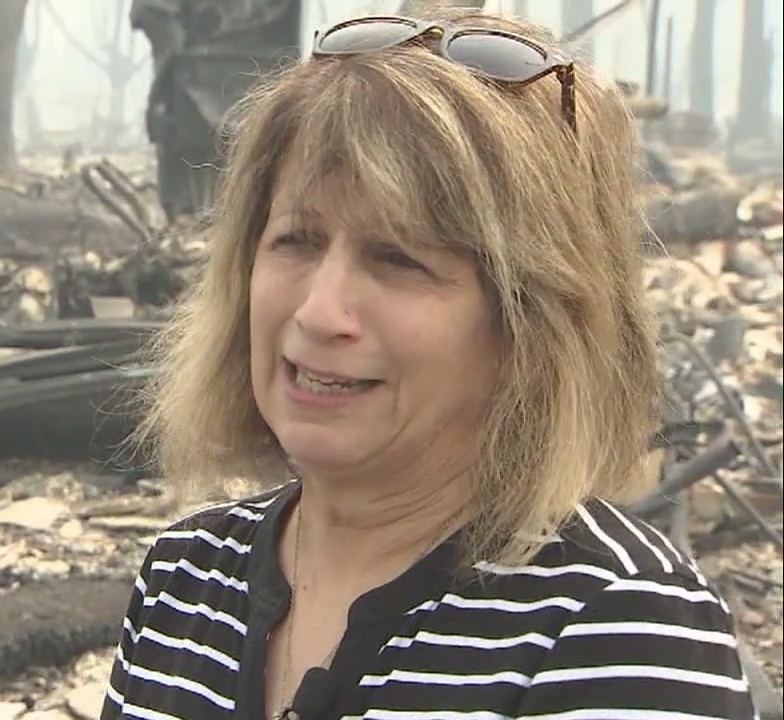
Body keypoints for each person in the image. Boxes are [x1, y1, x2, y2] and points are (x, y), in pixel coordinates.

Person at [101, 8, 758, 720]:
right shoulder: (184, 578)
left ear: (530, 320)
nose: (319, 312)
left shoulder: (620, 627)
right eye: (297, 240)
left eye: (397, 258)